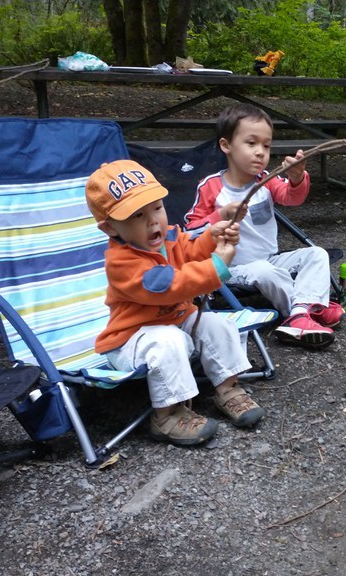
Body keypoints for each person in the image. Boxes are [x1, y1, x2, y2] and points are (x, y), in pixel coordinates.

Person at [85, 159, 265, 447]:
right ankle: (166, 414)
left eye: (157, 207)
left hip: (174, 322)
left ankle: (227, 388)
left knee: (216, 323)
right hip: (133, 339)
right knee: (168, 341)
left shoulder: (166, 237)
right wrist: (216, 267)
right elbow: (170, 286)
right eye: (137, 215)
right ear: (110, 228)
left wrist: (211, 236)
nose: (153, 220)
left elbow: (190, 251)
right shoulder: (122, 263)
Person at [184, 103, 343, 350]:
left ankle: (300, 314)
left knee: (317, 254)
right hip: (231, 269)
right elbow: (189, 233)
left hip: (270, 260)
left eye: (266, 146)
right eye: (251, 143)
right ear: (226, 146)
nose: (260, 152)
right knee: (263, 271)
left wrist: (297, 178)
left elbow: (292, 197)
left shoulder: (266, 181)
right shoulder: (211, 187)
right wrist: (219, 216)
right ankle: (308, 310)